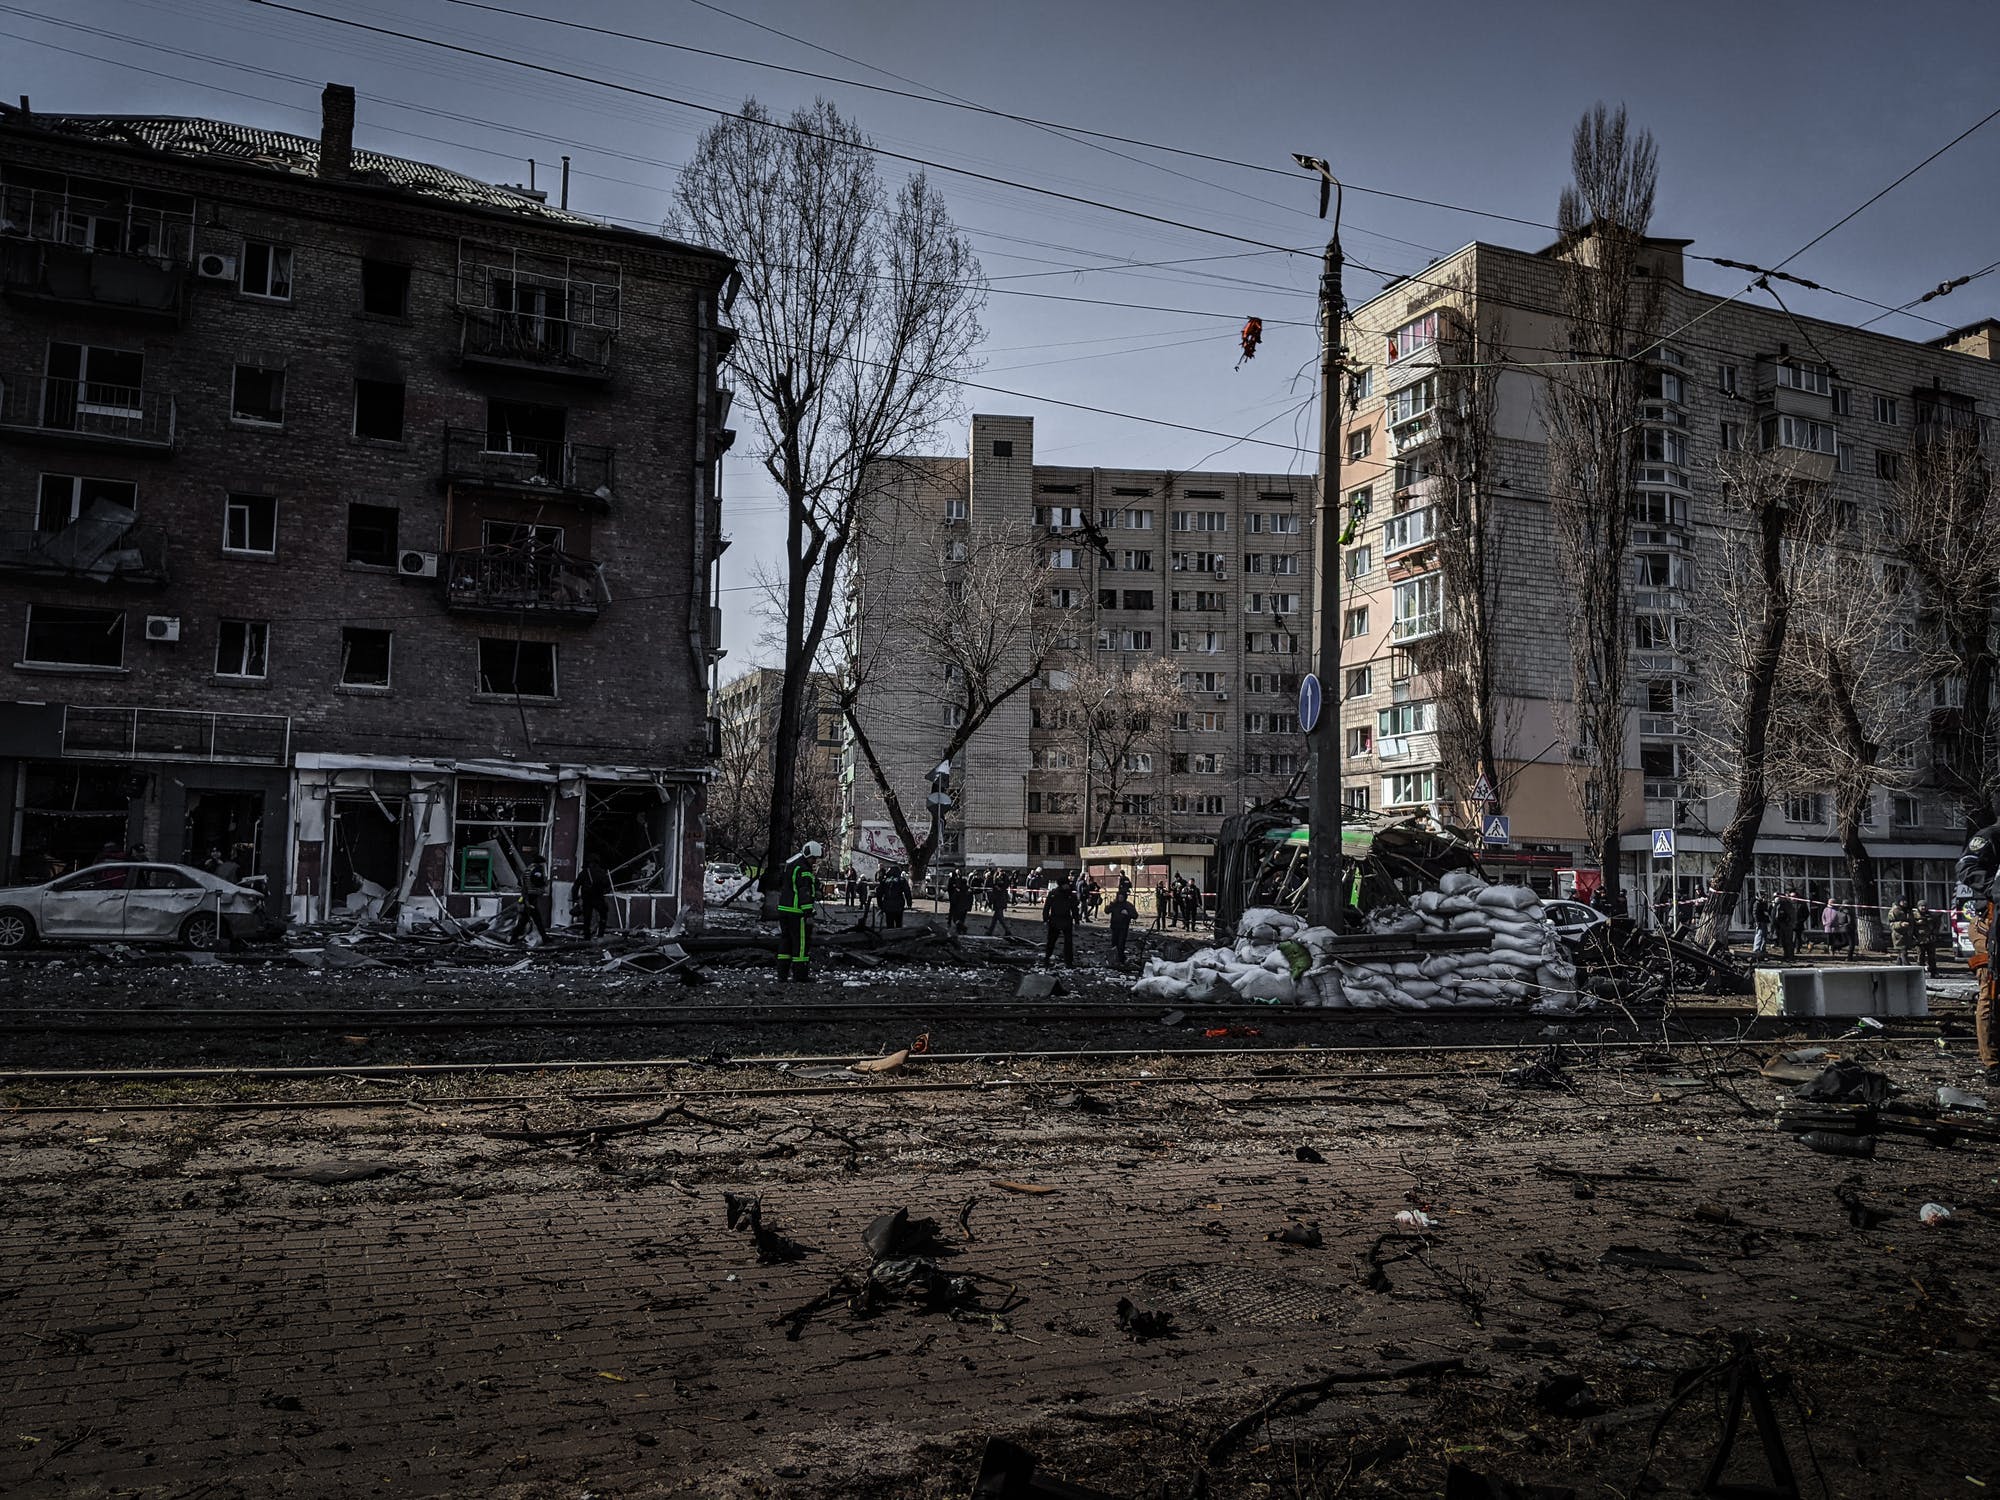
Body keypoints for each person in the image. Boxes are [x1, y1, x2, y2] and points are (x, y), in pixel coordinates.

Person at [1957, 822, 2000, 1086]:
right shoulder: (1991, 837)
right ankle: (1992, 1063)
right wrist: (1994, 888)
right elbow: (1966, 866)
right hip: (1989, 923)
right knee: (1991, 989)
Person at [776, 841, 821, 983]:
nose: (814, 861)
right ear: (809, 855)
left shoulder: (791, 865)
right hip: (797, 912)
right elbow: (804, 891)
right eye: (813, 858)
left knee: (786, 942)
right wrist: (808, 912)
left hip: (784, 909)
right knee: (800, 944)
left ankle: (782, 974)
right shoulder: (804, 869)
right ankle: (800, 975)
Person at [510, 857, 549, 944]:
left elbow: (520, 883)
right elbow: (536, 880)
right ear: (540, 863)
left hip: (526, 897)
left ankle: (545, 938)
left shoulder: (526, 870)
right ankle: (513, 938)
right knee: (533, 919)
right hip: (532, 897)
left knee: (527, 919)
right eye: (543, 863)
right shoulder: (537, 869)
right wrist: (543, 884)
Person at [1042, 877, 1078, 967]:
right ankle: (1047, 959)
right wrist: (1045, 919)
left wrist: (1076, 920)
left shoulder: (1068, 894)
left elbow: (1074, 908)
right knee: (1052, 941)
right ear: (1062, 884)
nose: (1068, 885)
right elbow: (1047, 907)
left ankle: (1068, 961)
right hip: (1056, 920)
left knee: (1067, 942)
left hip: (1064, 920)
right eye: (1067, 884)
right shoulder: (1055, 894)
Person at [575, 859, 613, 939]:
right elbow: (607, 885)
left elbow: (576, 886)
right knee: (603, 915)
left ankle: (587, 936)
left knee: (587, 918)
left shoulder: (583, 873)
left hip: (587, 898)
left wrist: (575, 899)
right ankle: (600, 934)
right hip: (598, 897)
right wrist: (603, 891)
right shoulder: (601, 873)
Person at [1888, 895, 1922, 965]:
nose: (1905, 902)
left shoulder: (1908, 910)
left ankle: (1898, 966)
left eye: (1905, 901)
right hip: (1899, 935)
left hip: (1908, 934)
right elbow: (1891, 924)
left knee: (1902, 952)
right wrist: (1900, 924)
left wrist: (1916, 923)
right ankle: (1906, 965)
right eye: (1902, 901)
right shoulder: (1894, 911)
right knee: (1903, 951)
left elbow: (1912, 921)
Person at [1107, 888, 1137, 968]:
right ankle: (1114, 960)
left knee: (1121, 944)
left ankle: (1121, 959)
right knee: (1114, 944)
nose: (1120, 898)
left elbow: (1135, 915)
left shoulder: (1128, 905)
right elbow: (1107, 911)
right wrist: (1110, 905)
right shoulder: (1115, 904)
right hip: (1115, 927)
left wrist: (1128, 913)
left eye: (1122, 897)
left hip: (1123, 928)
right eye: (1119, 897)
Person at [984, 870, 1012, 936]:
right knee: (996, 917)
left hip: (999, 901)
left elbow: (1002, 885)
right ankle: (990, 931)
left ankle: (1007, 930)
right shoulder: (999, 883)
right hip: (999, 901)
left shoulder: (1002, 884)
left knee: (999, 917)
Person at [946, 868, 973, 935]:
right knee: (961, 919)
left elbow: (955, 897)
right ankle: (960, 929)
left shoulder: (958, 890)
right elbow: (971, 899)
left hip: (958, 906)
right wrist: (969, 907)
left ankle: (961, 929)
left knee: (956, 919)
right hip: (964, 907)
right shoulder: (968, 890)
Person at [1751, 894, 1773, 960]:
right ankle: (1756, 949)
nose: (1765, 899)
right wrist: (1757, 921)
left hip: (1764, 921)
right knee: (1759, 934)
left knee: (1764, 935)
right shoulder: (1757, 903)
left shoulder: (1764, 903)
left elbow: (1766, 912)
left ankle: (1762, 949)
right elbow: (1755, 913)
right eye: (1764, 897)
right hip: (1760, 921)